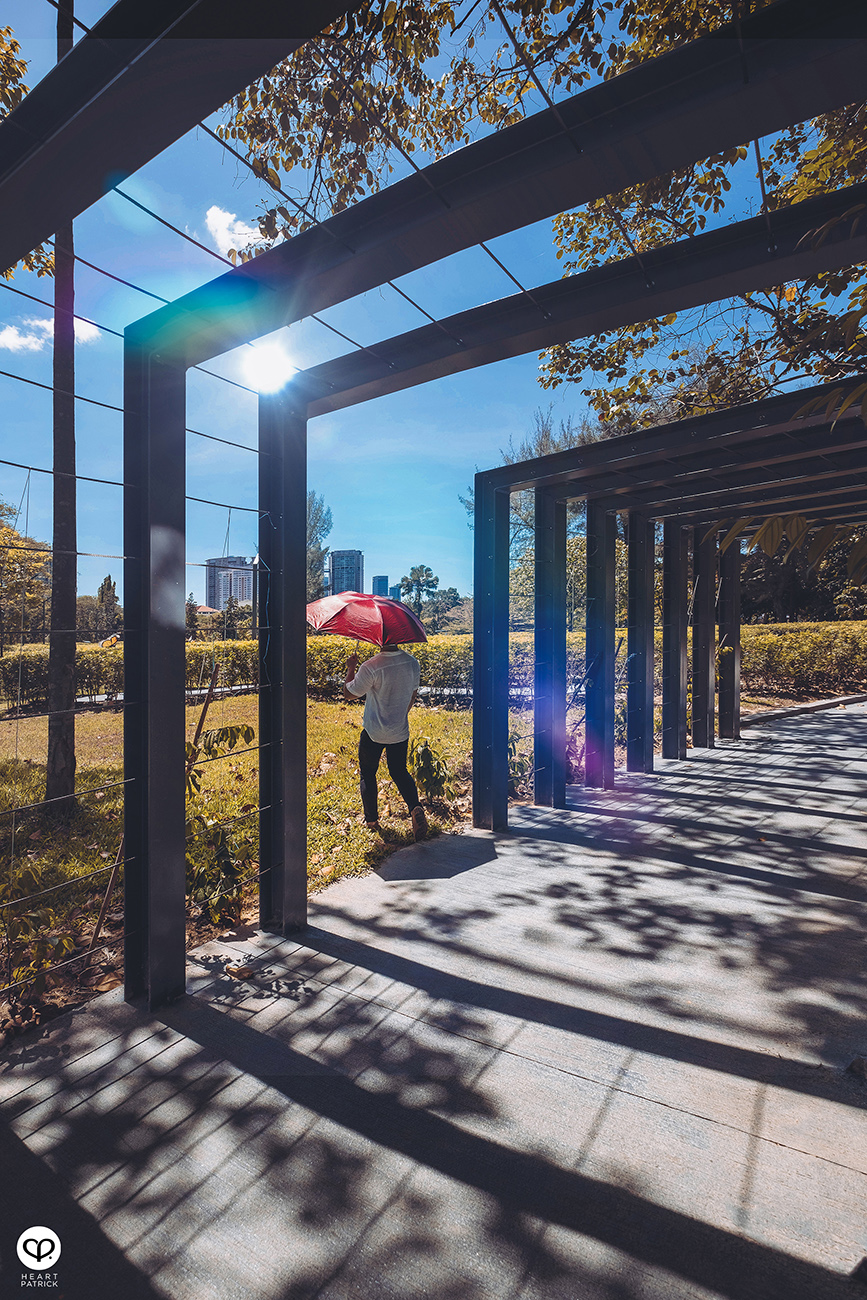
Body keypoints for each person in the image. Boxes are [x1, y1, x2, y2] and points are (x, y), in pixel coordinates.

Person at [344, 640, 428, 841]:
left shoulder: (372, 666)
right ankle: (415, 807)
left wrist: (351, 668)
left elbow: (349, 694)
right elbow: (413, 694)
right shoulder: (412, 662)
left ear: (378, 638)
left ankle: (372, 820)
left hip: (374, 731)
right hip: (399, 730)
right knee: (399, 771)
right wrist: (400, 716)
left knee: (368, 773)